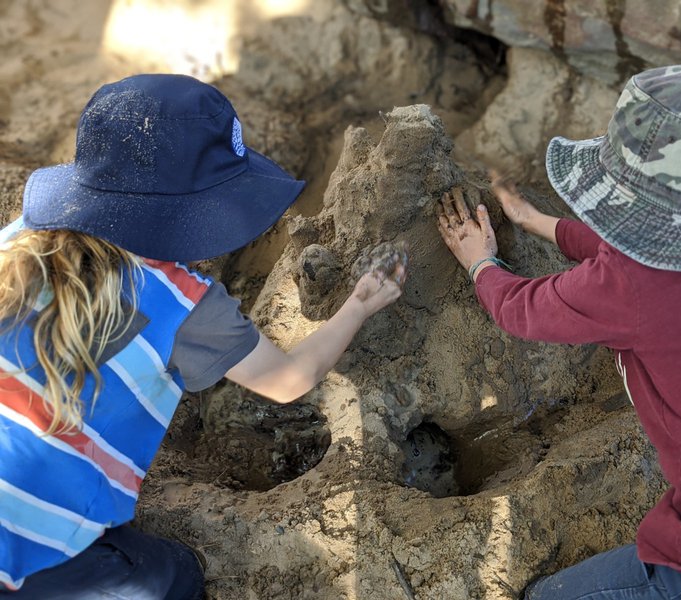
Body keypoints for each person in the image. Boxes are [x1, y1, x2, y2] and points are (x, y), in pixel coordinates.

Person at [0, 74, 405, 598]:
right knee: (174, 575)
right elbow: (289, 379)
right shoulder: (183, 303)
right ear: (194, 209)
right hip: (27, 555)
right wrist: (360, 303)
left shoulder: (19, 239)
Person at [437, 62, 681, 599]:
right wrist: (541, 223)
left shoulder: (636, 289)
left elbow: (522, 309)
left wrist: (479, 263)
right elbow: (641, 255)